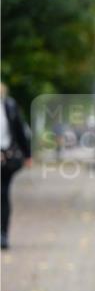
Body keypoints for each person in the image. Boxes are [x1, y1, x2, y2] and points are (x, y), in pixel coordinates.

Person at [1, 83, 32, 250]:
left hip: (7, 158)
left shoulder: (9, 106)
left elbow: (20, 131)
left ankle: (3, 234)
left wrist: (28, 155)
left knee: (3, 193)